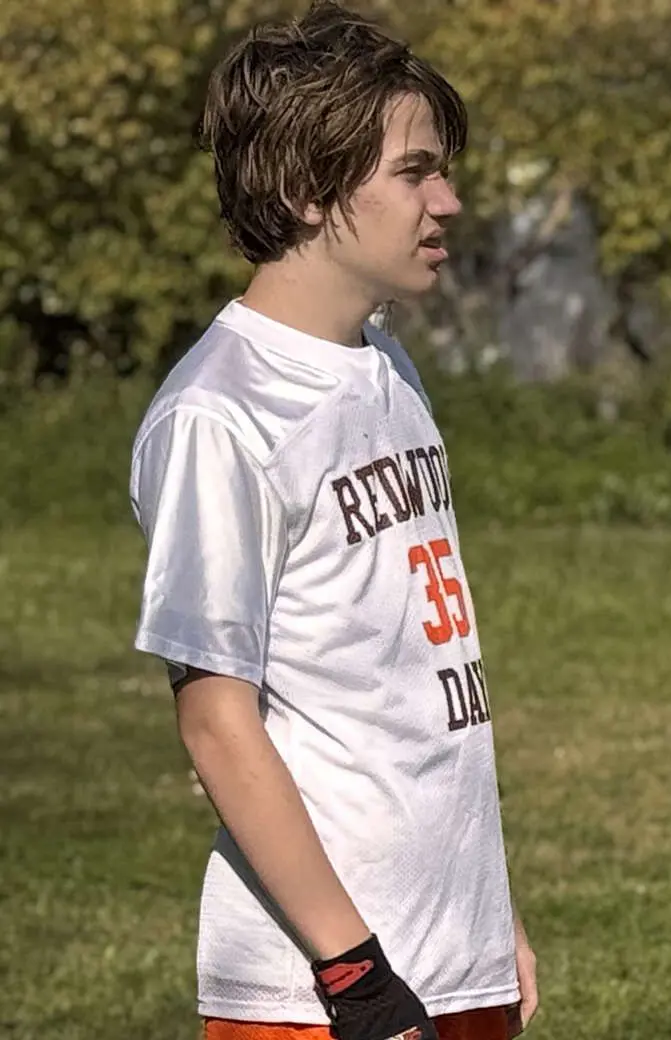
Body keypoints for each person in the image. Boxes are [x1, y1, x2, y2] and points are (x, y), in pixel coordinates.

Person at [130, 5, 535, 1038]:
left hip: (454, 951)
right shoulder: (220, 412)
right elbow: (217, 717)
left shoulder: (384, 363)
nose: (447, 200)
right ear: (306, 189)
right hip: (326, 987)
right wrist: (355, 974)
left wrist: (496, 922)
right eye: (415, 171)